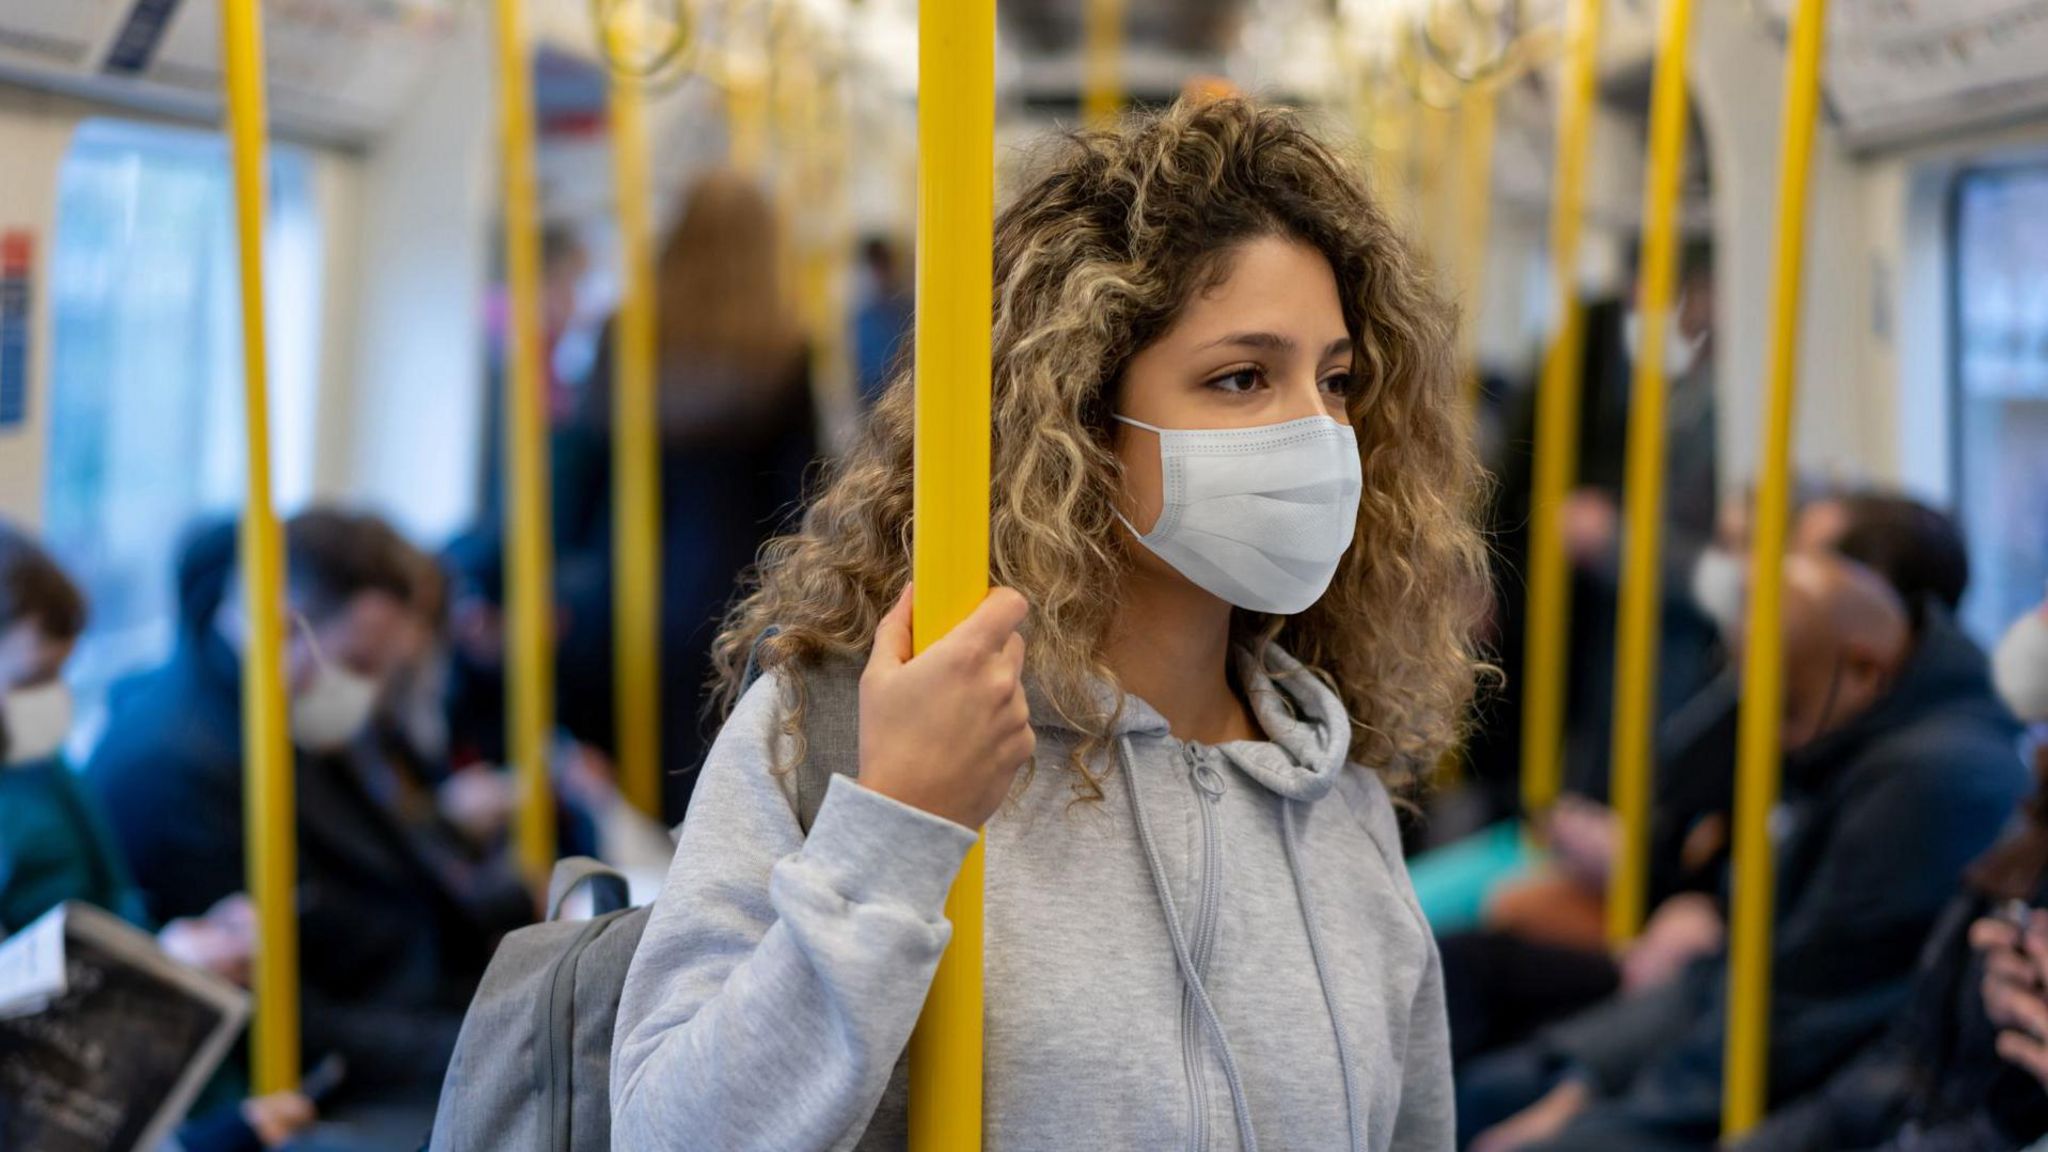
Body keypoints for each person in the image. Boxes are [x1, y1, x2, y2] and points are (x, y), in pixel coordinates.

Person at [611, 98, 1487, 1150]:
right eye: (1241, 378)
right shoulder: (842, 739)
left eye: (1335, 380)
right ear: (1079, 419)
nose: (1314, 429)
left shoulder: (1331, 802)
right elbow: (671, 1133)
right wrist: (893, 832)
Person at [1460, 551, 2028, 1152]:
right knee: (1484, 1083)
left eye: (1788, 710)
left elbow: (1797, 1012)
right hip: (1741, 1038)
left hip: (1807, 1082)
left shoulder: (1928, 783)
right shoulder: (1859, 731)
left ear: (1865, 669)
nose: (1777, 739)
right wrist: (1592, 1075)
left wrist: (1591, 1108)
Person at [88, 509, 500, 1112]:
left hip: (405, 1003)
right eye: (359, 666)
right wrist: (485, 1047)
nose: (371, 693)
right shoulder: (175, 771)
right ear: (284, 628)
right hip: (322, 1077)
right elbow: (280, 1019)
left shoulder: (289, 708)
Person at [0, 521, 316, 1151]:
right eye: (31, 680)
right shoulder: (157, 756)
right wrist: (160, 967)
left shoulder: (42, 762)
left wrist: (179, 950)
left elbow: (111, 903)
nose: (51, 702)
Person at [554, 170, 820, 821]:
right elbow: (801, 499)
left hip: (620, 594)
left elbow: (578, 476)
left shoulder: (626, 334)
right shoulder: (784, 348)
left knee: (622, 796)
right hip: (734, 602)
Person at [851, 234, 912, 408]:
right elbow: (857, 366)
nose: (878, 275)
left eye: (881, 267)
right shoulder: (863, 316)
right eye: (874, 268)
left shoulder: (906, 309)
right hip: (872, 399)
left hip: (901, 397)